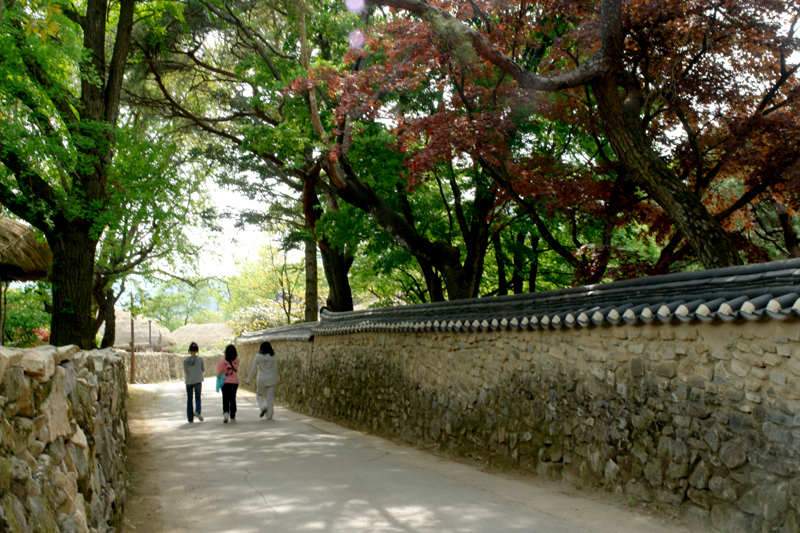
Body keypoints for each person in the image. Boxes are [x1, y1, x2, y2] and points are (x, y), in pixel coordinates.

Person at [246, 341, 280, 420]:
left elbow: (253, 369)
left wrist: (249, 379)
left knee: (259, 394)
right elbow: (275, 369)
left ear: (261, 349)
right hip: (270, 379)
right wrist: (277, 379)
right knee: (270, 398)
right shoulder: (272, 357)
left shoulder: (258, 357)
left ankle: (262, 407)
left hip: (261, 379)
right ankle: (269, 416)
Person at [216, 344, 240, 423]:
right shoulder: (237, 359)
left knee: (225, 398)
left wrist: (219, 381)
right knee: (233, 398)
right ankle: (233, 415)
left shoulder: (223, 361)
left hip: (226, 382)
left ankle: (226, 413)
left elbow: (219, 372)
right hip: (235, 381)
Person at [183, 342, 205, 423]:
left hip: (189, 381)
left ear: (189, 350)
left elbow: (185, 371)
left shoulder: (185, 361)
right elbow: (202, 369)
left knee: (189, 399)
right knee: (198, 398)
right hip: (198, 380)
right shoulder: (200, 359)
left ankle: (190, 419)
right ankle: (197, 411)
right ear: (197, 350)